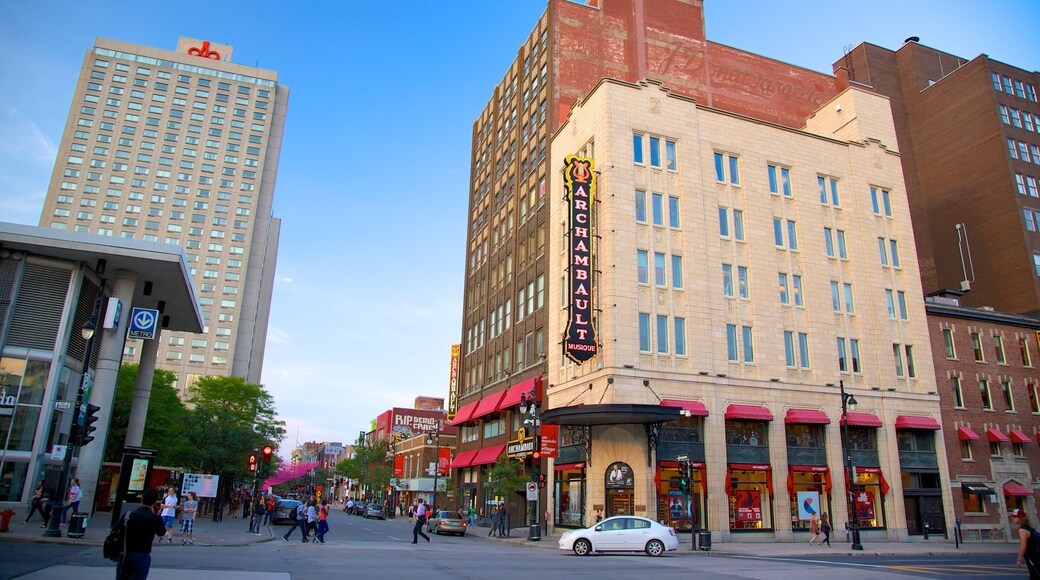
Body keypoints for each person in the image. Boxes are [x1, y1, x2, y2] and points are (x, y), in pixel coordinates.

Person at [118, 488, 166, 580]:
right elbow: (161, 532)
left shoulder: (128, 515)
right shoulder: (154, 518)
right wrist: (157, 515)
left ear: (141, 500)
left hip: (126, 553)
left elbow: (117, 530)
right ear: (155, 503)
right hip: (142, 554)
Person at [1012, 508, 1040, 579]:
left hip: (1032, 557)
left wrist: (1019, 559)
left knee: (1034, 575)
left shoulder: (1022, 530)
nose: (1013, 518)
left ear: (1020, 518)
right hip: (1036, 556)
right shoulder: (1028, 528)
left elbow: (1023, 546)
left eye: (1015, 517)